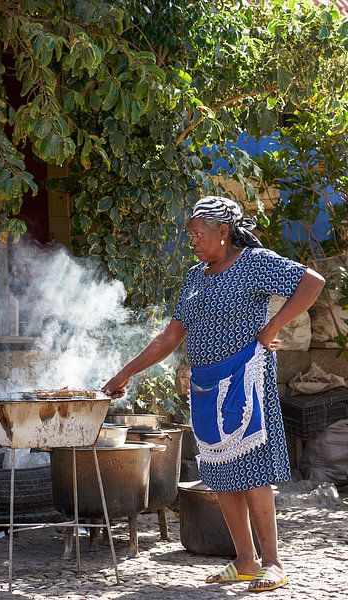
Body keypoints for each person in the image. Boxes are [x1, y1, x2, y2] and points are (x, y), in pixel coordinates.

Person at [103, 195, 325, 592]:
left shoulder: (254, 263)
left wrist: (272, 328)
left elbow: (312, 282)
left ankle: (272, 563)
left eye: (199, 234)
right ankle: (244, 561)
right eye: (190, 235)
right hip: (205, 385)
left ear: (223, 233)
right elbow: (170, 336)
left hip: (245, 379)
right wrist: (125, 374)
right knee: (221, 476)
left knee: (254, 474)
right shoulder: (195, 277)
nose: (193, 241)